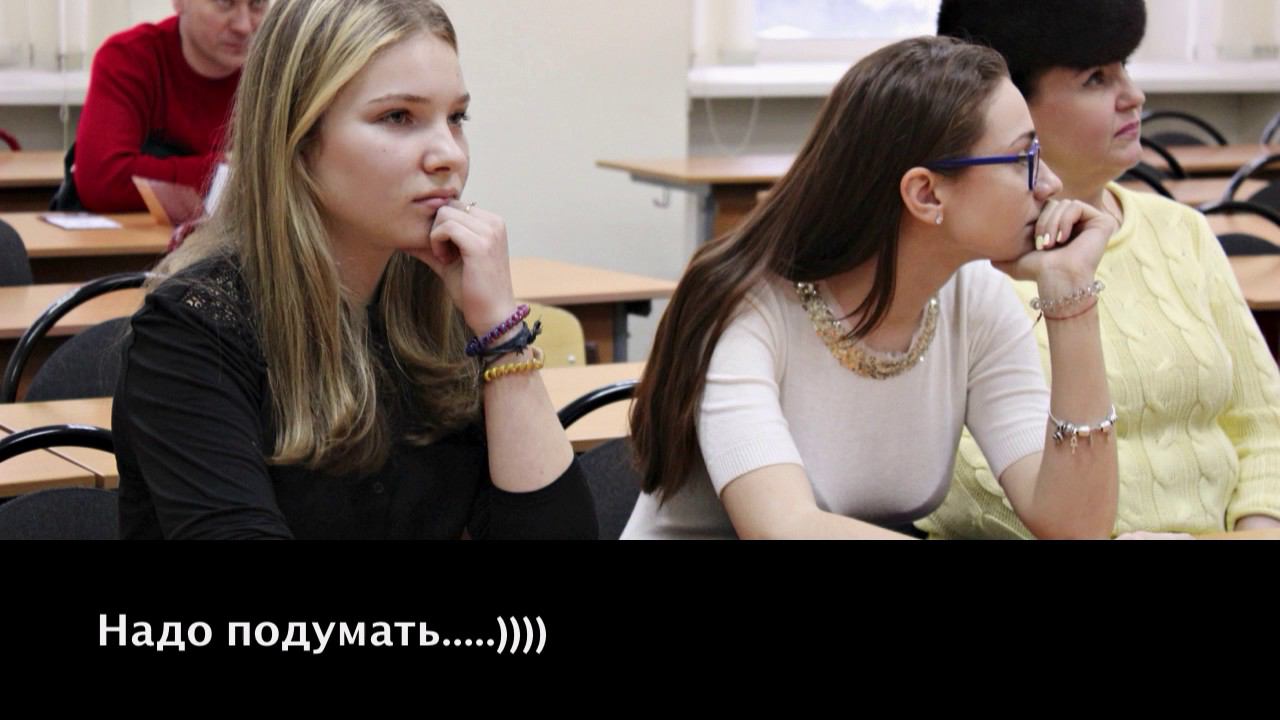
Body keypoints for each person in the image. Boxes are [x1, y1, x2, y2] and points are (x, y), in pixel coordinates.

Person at [113, 0, 598, 540]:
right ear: (299, 139)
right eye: (398, 117)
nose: (449, 155)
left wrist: (502, 334)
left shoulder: (442, 304)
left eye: (456, 118)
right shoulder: (191, 332)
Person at [624, 36, 1119, 540]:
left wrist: (1072, 294)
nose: (1051, 185)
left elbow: (1076, 526)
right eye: (1022, 158)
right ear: (926, 194)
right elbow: (784, 528)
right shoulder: (749, 308)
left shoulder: (974, 299)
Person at [922, 0, 1280, 539]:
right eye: (1096, 78)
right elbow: (962, 484)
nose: (1134, 96)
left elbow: (1265, 425)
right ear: (1007, 103)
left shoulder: (1181, 231)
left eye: (1125, 68)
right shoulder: (958, 267)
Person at [67, 0, 268, 212]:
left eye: (257, 4)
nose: (244, 26)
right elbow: (103, 181)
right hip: (143, 233)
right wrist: (224, 171)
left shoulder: (277, 69)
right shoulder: (131, 58)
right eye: (224, 3)